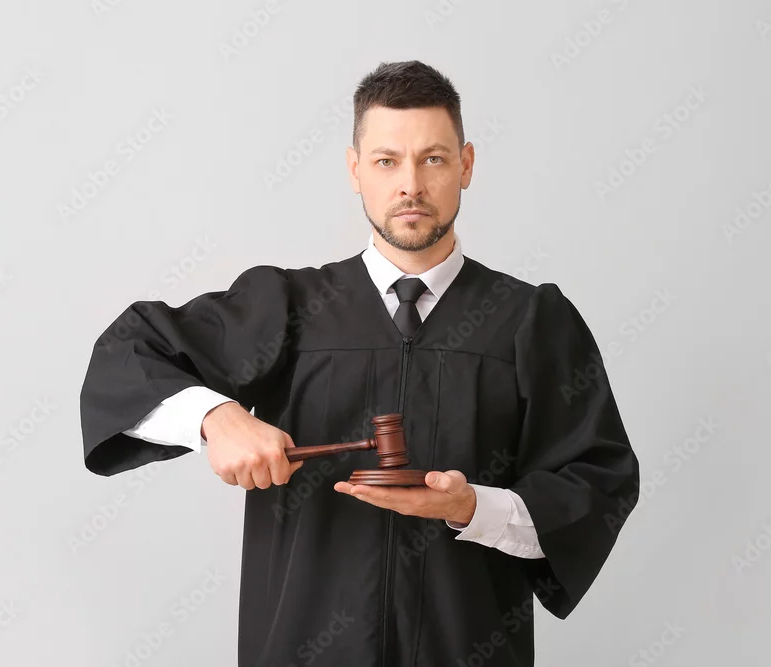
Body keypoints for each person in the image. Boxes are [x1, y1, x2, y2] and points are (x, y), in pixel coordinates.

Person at [79, 59, 640, 667]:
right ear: (355, 170)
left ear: (466, 165)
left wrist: (471, 508)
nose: (410, 186)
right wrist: (216, 417)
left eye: (433, 159)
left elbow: (596, 485)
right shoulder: (289, 307)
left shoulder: (530, 321)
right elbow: (127, 353)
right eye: (386, 161)